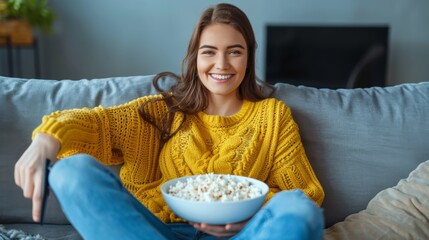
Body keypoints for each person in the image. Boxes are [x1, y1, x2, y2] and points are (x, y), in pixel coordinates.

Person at [14, 3, 325, 239]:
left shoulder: (272, 116)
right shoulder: (161, 111)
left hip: (245, 234)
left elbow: (304, 195)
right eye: (209, 52)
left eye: (234, 52)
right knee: (71, 170)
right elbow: (95, 124)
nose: (221, 64)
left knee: (300, 211)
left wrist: (249, 212)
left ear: (248, 57)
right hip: (159, 231)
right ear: (195, 58)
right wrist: (46, 139)